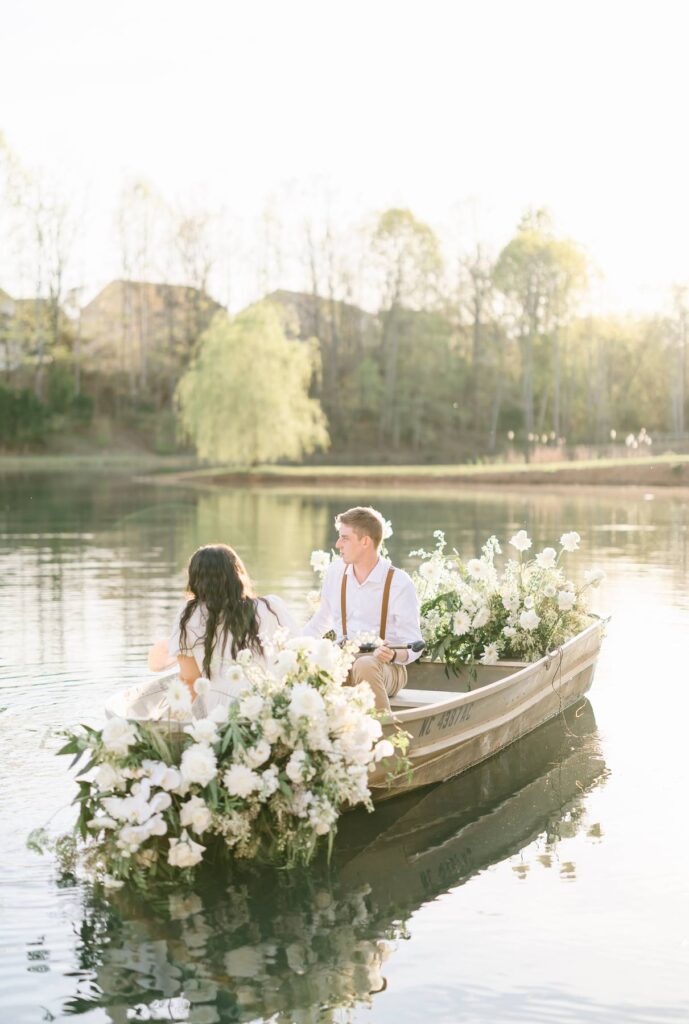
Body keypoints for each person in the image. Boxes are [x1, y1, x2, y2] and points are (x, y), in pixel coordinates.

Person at [149, 543, 296, 714]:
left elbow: (190, 680)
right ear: (238, 575)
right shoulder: (271, 606)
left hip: (219, 713)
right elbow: (294, 656)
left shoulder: (188, 615)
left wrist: (170, 721)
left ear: (195, 580)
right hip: (266, 706)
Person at [302, 506, 422, 712]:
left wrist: (392, 655)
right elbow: (321, 621)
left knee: (365, 664)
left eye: (345, 538)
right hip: (344, 662)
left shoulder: (399, 583)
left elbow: (412, 645)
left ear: (365, 541)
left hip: (387, 668)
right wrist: (295, 648)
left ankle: (385, 735)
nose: (338, 544)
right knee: (312, 665)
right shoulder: (335, 572)